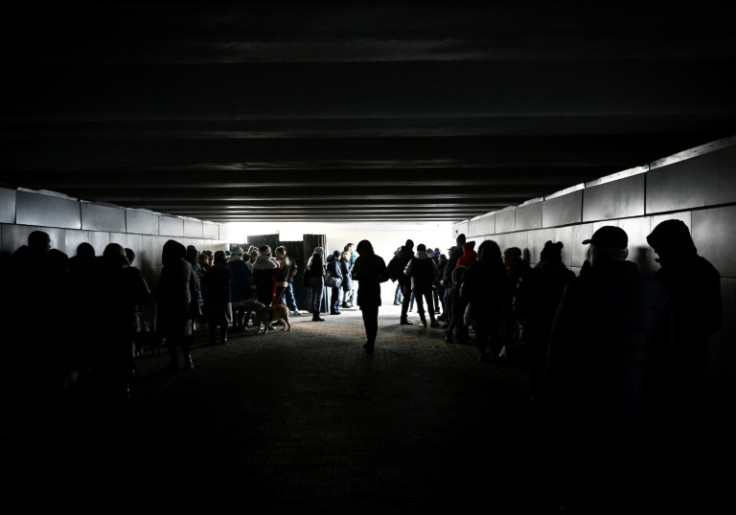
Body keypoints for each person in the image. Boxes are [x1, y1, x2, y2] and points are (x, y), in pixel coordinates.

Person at [545, 226, 675, 513]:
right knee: (628, 452)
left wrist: (551, 389)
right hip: (636, 389)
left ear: (596, 253)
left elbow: (560, 342)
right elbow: (666, 349)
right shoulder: (656, 290)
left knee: (585, 450)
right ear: (625, 253)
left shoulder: (581, 288)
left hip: (587, 386)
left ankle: (582, 502)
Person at [646, 219, 722, 470]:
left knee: (664, 414)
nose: (658, 255)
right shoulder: (706, 270)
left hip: (663, 360)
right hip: (693, 355)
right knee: (687, 410)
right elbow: (713, 321)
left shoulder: (664, 277)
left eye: (659, 250)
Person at [513, 241, 575, 420]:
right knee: (558, 360)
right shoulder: (567, 276)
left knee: (537, 359)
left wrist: (522, 318)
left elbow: (519, 298)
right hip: (560, 325)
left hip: (537, 324)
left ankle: (538, 394)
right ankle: (555, 396)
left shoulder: (532, 275)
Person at [459, 240, 512, 362]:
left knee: (481, 330)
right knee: (495, 330)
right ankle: (494, 352)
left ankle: (483, 354)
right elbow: (506, 287)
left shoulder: (477, 266)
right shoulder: (500, 268)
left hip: (479, 304)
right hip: (495, 304)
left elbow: (465, 279)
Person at [155, 239, 203, 372]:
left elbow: (162, 289)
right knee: (184, 336)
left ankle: (174, 362)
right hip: (185, 305)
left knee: (171, 336)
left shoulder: (168, 267)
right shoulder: (187, 265)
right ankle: (188, 360)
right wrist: (196, 305)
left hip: (170, 306)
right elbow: (194, 287)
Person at [352, 239, 389, 353]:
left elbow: (353, 274)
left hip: (366, 292)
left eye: (361, 251)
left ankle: (371, 341)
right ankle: (370, 340)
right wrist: (375, 279)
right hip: (371, 292)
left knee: (369, 318)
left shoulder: (360, 260)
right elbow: (385, 276)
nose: (359, 254)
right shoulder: (377, 260)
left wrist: (364, 277)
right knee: (370, 318)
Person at [403, 243, 440, 328]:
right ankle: (433, 320)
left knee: (420, 304)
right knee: (430, 303)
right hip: (427, 284)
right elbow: (436, 271)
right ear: (425, 249)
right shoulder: (430, 260)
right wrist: (432, 281)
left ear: (417, 250)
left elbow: (406, 272)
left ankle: (423, 321)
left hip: (416, 285)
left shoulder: (413, 260)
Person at [204, 250, 232, 346]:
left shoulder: (210, 270)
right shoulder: (227, 269)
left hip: (212, 297)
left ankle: (213, 339)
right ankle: (223, 337)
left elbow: (206, 283)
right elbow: (230, 282)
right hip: (224, 296)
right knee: (224, 318)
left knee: (212, 319)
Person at [388, 239, 415, 325]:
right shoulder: (411, 254)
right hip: (407, 278)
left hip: (400, 278)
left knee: (405, 297)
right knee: (407, 298)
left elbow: (391, 265)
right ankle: (403, 318)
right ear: (411, 246)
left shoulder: (399, 253)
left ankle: (403, 317)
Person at [439, 233, 466, 322]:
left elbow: (450, 267)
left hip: (453, 281)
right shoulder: (466, 252)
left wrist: (445, 279)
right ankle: (453, 321)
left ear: (458, 242)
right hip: (463, 281)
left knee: (449, 300)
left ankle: (450, 320)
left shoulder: (456, 253)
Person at [228, 246, 252, 331]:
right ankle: (240, 324)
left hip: (231, 288)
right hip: (241, 288)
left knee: (233, 308)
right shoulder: (241, 263)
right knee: (241, 308)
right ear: (240, 254)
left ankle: (234, 324)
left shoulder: (229, 263)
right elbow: (248, 275)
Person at [275, 246, 302, 315]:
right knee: (282, 296)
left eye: (278, 253)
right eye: (276, 253)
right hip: (280, 281)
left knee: (290, 294)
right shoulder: (276, 261)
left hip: (288, 280)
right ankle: (285, 310)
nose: (277, 255)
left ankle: (295, 309)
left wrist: (291, 275)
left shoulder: (290, 259)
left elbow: (295, 269)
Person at [305, 246, 326, 321]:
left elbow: (308, 268)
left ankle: (314, 314)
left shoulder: (311, 258)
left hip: (311, 279)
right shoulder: (319, 259)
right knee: (319, 297)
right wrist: (324, 267)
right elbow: (322, 272)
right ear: (321, 252)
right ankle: (317, 315)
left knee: (313, 296)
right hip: (318, 278)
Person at [327, 249, 344, 314]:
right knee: (336, 295)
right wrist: (341, 276)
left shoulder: (331, 261)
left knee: (334, 295)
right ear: (338, 256)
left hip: (334, 280)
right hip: (336, 280)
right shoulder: (334, 262)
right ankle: (334, 309)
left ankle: (334, 309)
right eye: (340, 256)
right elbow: (336, 271)